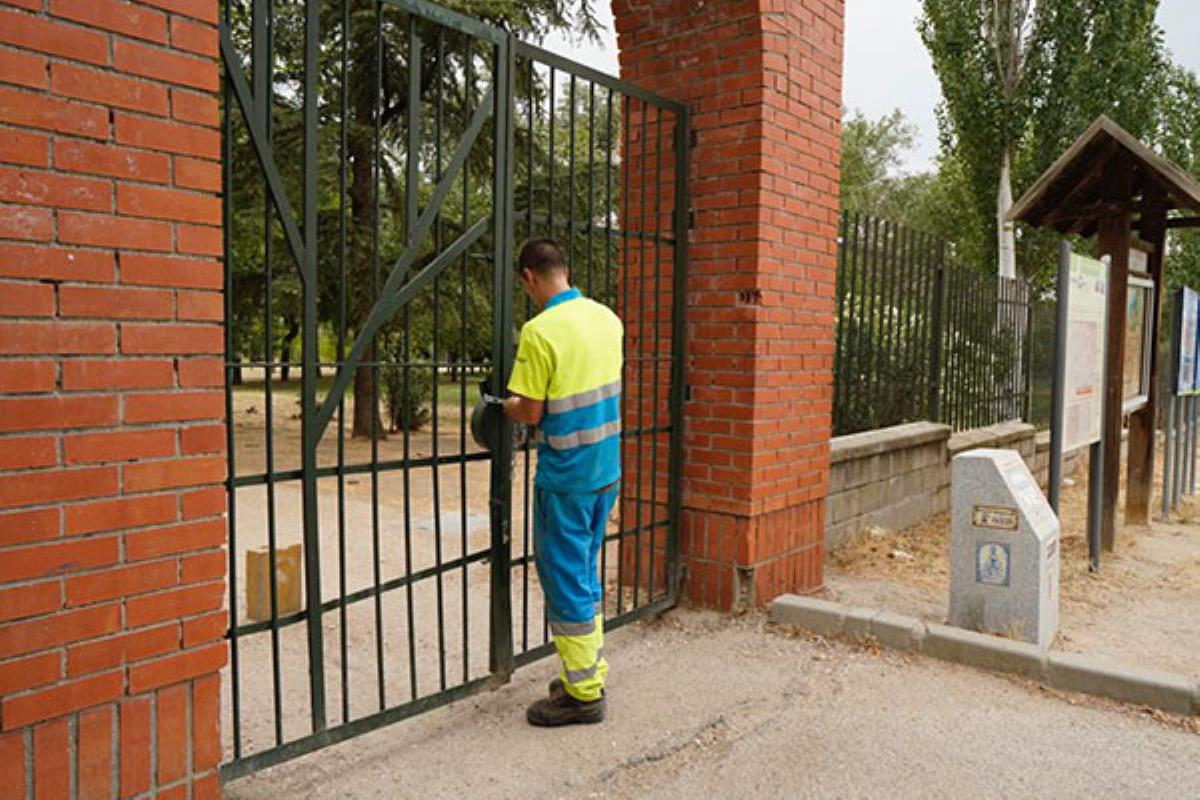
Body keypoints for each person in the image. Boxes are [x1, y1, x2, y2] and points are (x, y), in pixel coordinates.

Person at [502, 238, 623, 726]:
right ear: (564, 269)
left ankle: (584, 694)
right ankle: (586, 671)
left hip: (567, 476)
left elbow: (531, 411)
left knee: (565, 579)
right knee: (585, 574)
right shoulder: (607, 319)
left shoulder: (540, 331)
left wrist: (504, 406)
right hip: (606, 470)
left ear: (529, 277)